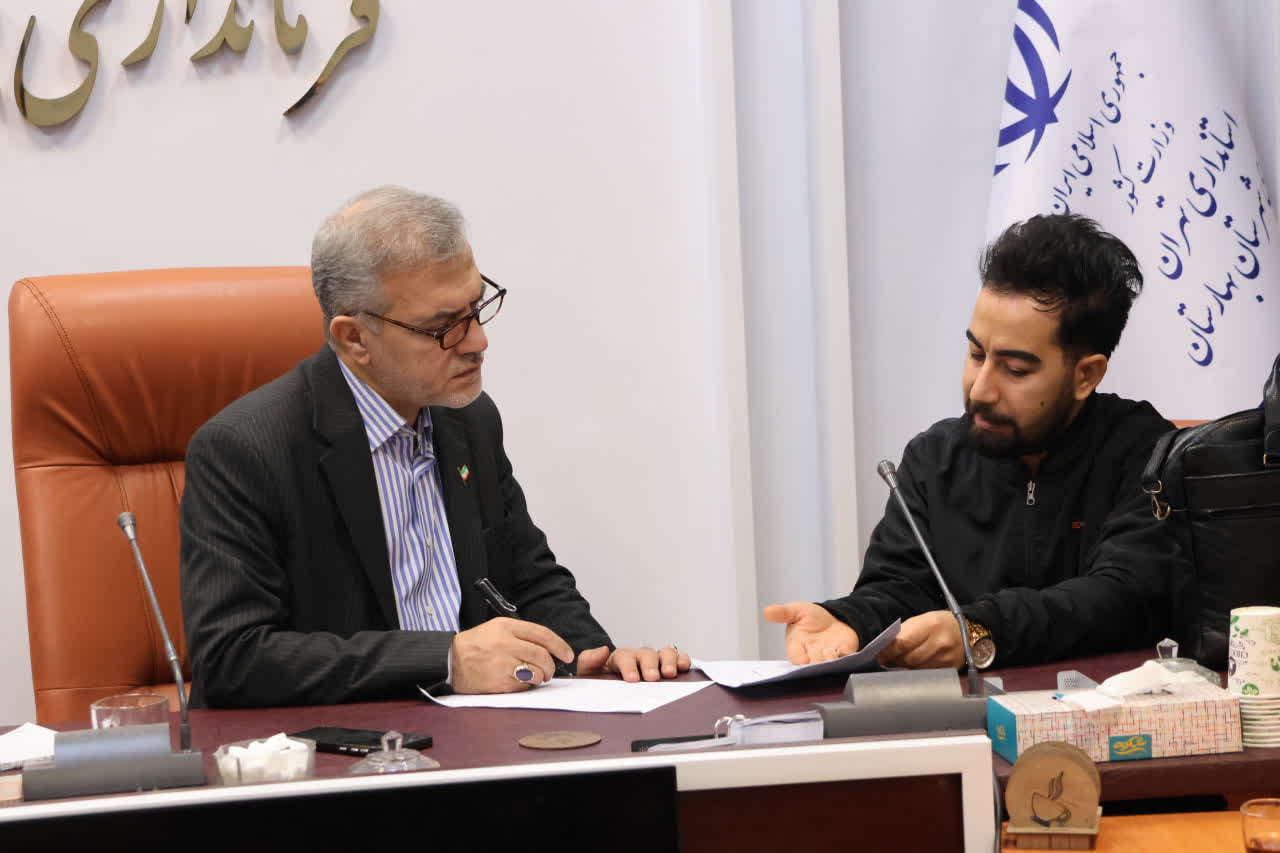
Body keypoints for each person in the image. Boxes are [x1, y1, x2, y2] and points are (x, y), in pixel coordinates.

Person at [181, 186, 690, 708]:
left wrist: (596, 659)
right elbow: (232, 658)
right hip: (341, 742)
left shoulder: (467, 418)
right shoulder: (244, 450)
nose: (477, 342)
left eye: (476, 307)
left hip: (474, 729)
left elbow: (529, 579)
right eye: (443, 327)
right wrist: (444, 660)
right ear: (355, 339)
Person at [765, 213, 1183, 671]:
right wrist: (849, 621)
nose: (980, 390)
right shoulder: (934, 459)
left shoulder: (1149, 455)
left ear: (1086, 375)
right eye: (976, 354)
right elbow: (901, 588)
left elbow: (1123, 597)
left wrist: (980, 630)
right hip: (966, 713)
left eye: (1015, 369)